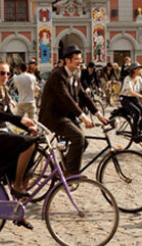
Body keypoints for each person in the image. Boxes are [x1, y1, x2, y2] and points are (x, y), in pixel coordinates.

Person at [0, 61, 37, 218]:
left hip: (1, 134)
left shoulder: (3, 92)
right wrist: (24, 120)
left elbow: (10, 116)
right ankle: (17, 185)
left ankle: (19, 211)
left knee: (32, 142)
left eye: (8, 73)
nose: (6, 76)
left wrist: (28, 128)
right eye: (2, 73)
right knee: (28, 144)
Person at [38, 46, 108, 177]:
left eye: (80, 59)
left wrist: (97, 114)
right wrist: (82, 117)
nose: (80, 61)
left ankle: (61, 168)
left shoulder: (76, 73)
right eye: (76, 59)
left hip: (66, 116)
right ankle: (70, 174)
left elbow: (83, 95)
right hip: (53, 116)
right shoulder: (57, 75)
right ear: (67, 60)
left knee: (83, 142)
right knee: (78, 138)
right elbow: (66, 98)